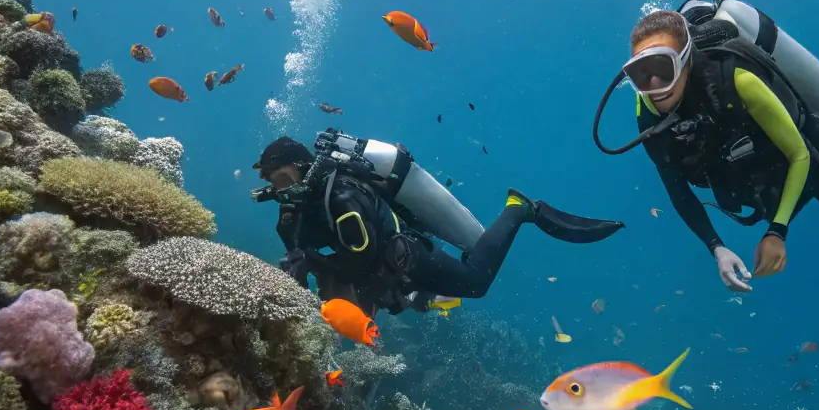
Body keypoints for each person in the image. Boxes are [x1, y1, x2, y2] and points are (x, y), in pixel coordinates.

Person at [595, 0, 819, 292]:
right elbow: (677, 190)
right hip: (762, 179)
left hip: (810, 156)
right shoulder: (648, 118)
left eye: (663, 69)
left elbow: (798, 154)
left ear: (686, 60)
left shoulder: (736, 79)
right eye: (640, 73)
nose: (653, 87)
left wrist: (777, 232)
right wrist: (717, 248)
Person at [252, 131, 622, 315]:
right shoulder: (294, 216)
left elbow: (361, 258)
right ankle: (422, 297)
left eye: (283, 179)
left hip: (405, 256)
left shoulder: (342, 198)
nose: (279, 191)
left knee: (476, 283)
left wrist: (312, 262)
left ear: (302, 168)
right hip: (380, 269)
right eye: (272, 184)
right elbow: (310, 259)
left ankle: (518, 208)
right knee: (395, 305)